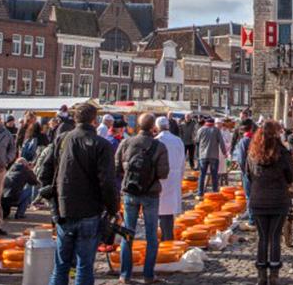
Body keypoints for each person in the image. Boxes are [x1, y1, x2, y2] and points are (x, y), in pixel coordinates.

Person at [42, 103, 118, 285]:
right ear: (94, 120)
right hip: (89, 209)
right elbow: (107, 182)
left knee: (61, 264)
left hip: (64, 207)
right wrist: (113, 208)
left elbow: (46, 169)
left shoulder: (62, 139)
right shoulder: (102, 145)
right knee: (84, 265)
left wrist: (53, 196)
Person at [114, 114, 169, 285]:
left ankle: (125, 275)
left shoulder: (126, 142)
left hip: (130, 193)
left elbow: (116, 166)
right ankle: (148, 275)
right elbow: (163, 173)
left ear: (137, 125)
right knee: (152, 235)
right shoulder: (159, 147)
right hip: (151, 194)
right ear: (154, 127)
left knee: (127, 233)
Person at [247, 120, 293, 285]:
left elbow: (248, 175)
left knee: (262, 238)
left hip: (258, 200)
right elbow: (291, 176)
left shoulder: (253, 154)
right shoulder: (283, 153)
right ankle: (274, 274)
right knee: (274, 237)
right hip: (278, 200)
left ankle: (261, 275)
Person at [154, 116, 186, 242]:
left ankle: (165, 237)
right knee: (169, 210)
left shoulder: (157, 140)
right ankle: (167, 235)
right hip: (175, 176)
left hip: (162, 177)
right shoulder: (178, 140)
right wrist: (180, 176)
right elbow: (183, 161)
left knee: (162, 210)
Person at [232, 119, 257, 231]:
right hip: (258, 172)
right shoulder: (256, 140)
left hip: (248, 172)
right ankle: (254, 215)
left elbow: (241, 159)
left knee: (249, 196)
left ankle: (252, 221)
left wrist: (244, 171)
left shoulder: (244, 141)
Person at [196, 117, 223, 196]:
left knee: (202, 175)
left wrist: (198, 154)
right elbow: (221, 142)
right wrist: (225, 152)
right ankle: (215, 192)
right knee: (214, 175)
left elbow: (197, 142)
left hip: (203, 156)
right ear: (213, 123)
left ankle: (200, 193)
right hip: (214, 156)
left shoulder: (200, 130)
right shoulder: (216, 130)